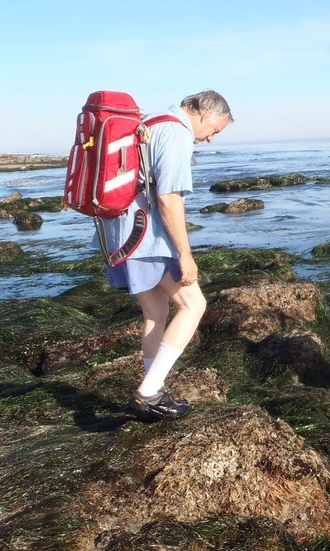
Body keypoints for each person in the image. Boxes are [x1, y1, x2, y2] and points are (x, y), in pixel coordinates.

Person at [100, 90, 233, 422]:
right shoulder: (175, 133)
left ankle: (154, 391)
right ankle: (147, 393)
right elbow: (169, 199)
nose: (211, 138)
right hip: (145, 236)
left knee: (155, 312)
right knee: (193, 305)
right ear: (205, 114)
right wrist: (185, 254)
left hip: (117, 234)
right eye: (215, 130)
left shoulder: (150, 123)